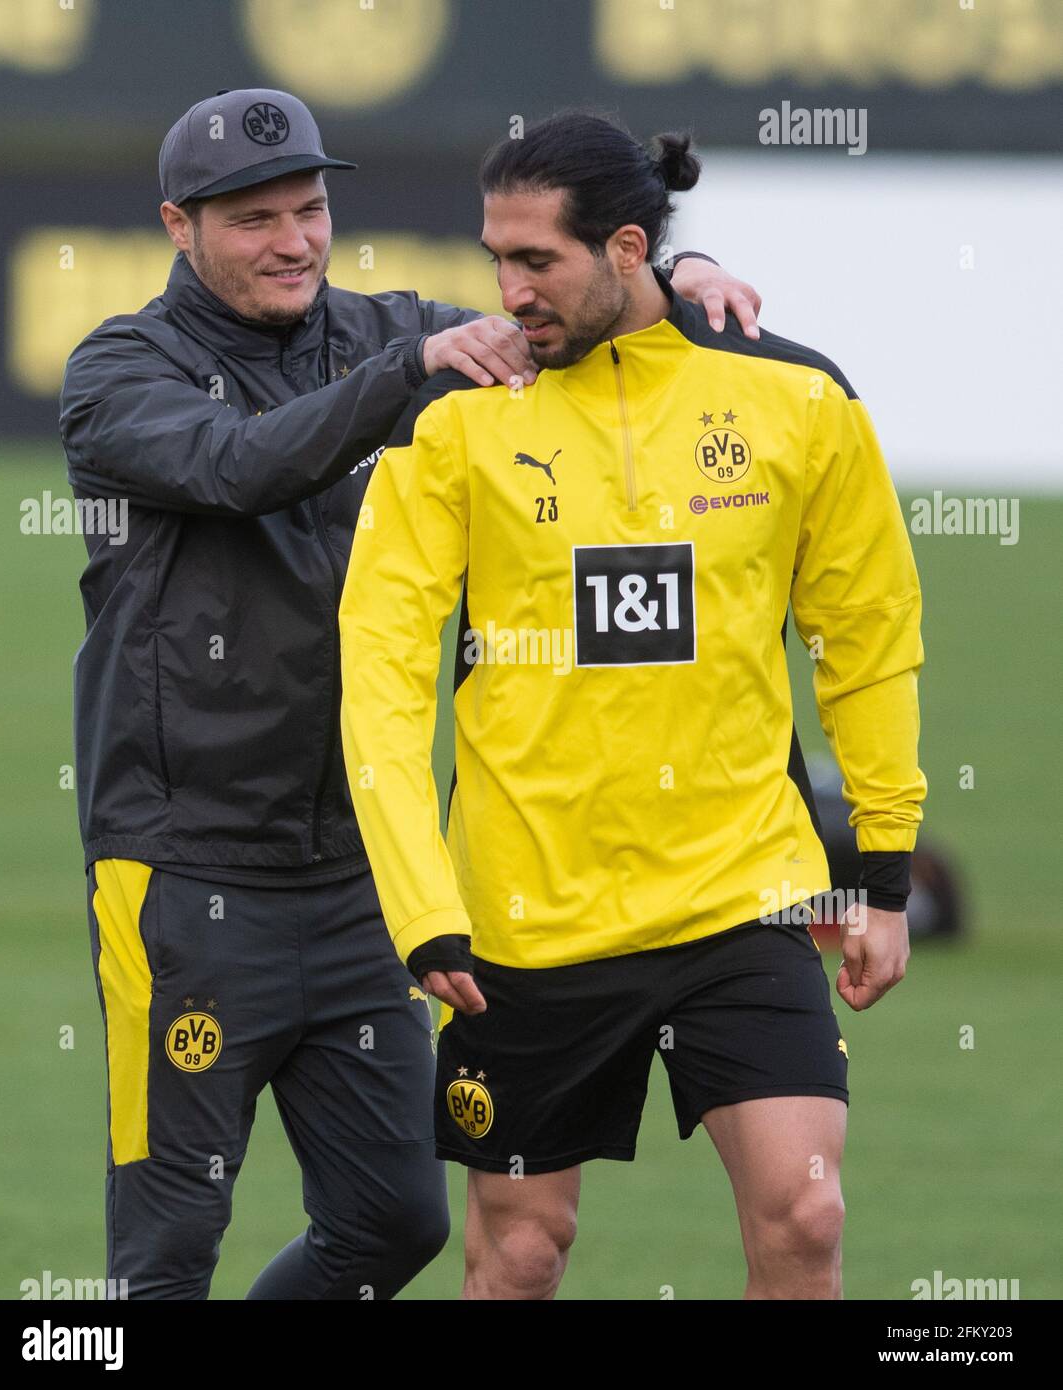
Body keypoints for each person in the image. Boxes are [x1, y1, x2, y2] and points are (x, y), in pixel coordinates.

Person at [58, 87, 761, 1300]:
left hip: (361, 883)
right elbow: (235, 466)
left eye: (310, 208)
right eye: (252, 220)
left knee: (392, 1225)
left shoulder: (388, 329)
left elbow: (568, 309)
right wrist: (411, 373)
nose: (292, 240)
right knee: (165, 1255)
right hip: (182, 875)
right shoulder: (117, 367)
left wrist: (680, 265)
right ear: (179, 227)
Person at [338, 112, 928, 1300]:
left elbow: (863, 638)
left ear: (622, 250)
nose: (506, 292)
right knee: (519, 1253)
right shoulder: (453, 412)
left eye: (534, 262)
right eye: (494, 260)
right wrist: (421, 906)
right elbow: (382, 679)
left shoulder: (798, 398)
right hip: (524, 912)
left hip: (740, 894)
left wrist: (880, 866)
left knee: (806, 1213)